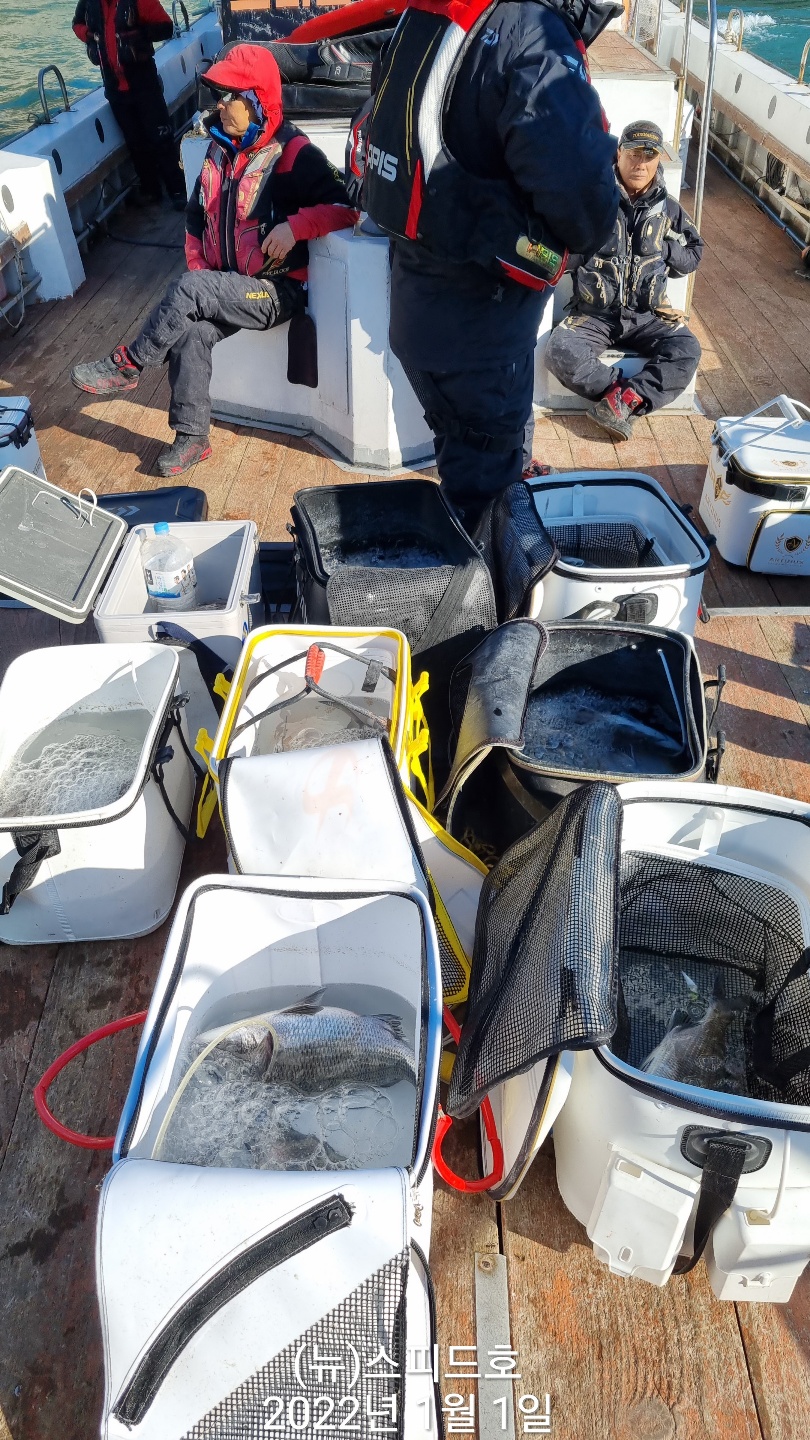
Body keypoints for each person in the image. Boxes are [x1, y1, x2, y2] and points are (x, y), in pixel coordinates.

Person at [361, 0, 621, 525]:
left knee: (466, 458)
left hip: (420, 316)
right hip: (482, 336)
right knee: (484, 502)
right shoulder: (534, 37)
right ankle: (486, 568)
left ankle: (489, 508)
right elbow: (583, 203)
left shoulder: (429, 15)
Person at [70, 46, 359, 477]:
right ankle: (192, 438)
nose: (219, 105)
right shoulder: (219, 150)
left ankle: (130, 365)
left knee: (191, 289)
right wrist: (200, 267)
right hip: (228, 283)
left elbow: (346, 207)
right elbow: (194, 218)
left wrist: (295, 227)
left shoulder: (294, 153)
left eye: (230, 97)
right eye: (218, 96)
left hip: (275, 291)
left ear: (258, 101)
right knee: (192, 331)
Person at [544, 119, 703, 441]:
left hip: (648, 317)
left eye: (649, 155)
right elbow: (557, 251)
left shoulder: (669, 209)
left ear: (658, 159)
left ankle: (623, 402)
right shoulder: (591, 202)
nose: (640, 163)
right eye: (633, 153)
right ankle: (623, 398)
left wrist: (664, 250)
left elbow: (694, 253)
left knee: (687, 349)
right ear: (619, 154)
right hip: (594, 317)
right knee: (559, 349)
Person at [73, 0, 186, 207]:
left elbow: (166, 27)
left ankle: (178, 191)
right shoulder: (89, 2)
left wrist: (138, 34)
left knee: (161, 138)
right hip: (114, 87)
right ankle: (151, 191)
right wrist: (89, 35)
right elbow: (77, 24)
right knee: (135, 143)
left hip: (144, 84)